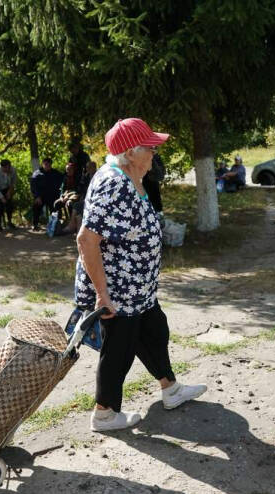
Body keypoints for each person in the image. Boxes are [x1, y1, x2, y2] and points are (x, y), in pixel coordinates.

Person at [75, 117, 207, 431]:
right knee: (119, 349)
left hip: (138, 287)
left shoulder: (131, 177)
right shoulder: (113, 183)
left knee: (155, 332)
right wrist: (102, 294)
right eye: (149, 147)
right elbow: (86, 239)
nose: (153, 152)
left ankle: (170, 389)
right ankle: (105, 413)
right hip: (118, 289)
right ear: (131, 152)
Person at [30, 157, 64, 230]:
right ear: (42, 164)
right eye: (45, 164)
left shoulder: (55, 173)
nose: (47, 166)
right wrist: (37, 196)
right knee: (36, 206)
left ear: (51, 165)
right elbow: (33, 187)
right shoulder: (37, 173)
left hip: (52, 196)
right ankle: (35, 224)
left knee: (57, 206)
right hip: (40, 196)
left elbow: (63, 179)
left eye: (48, 165)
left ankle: (56, 224)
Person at [0, 159, 17, 231]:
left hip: (6, 188)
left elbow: (13, 182)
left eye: (9, 167)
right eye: (5, 168)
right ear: (2, 167)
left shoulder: (13, 170)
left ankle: (9, 222)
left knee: (9, 205)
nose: (7, 169)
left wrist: (9, 192)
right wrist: (2, 197)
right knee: (0, 207)